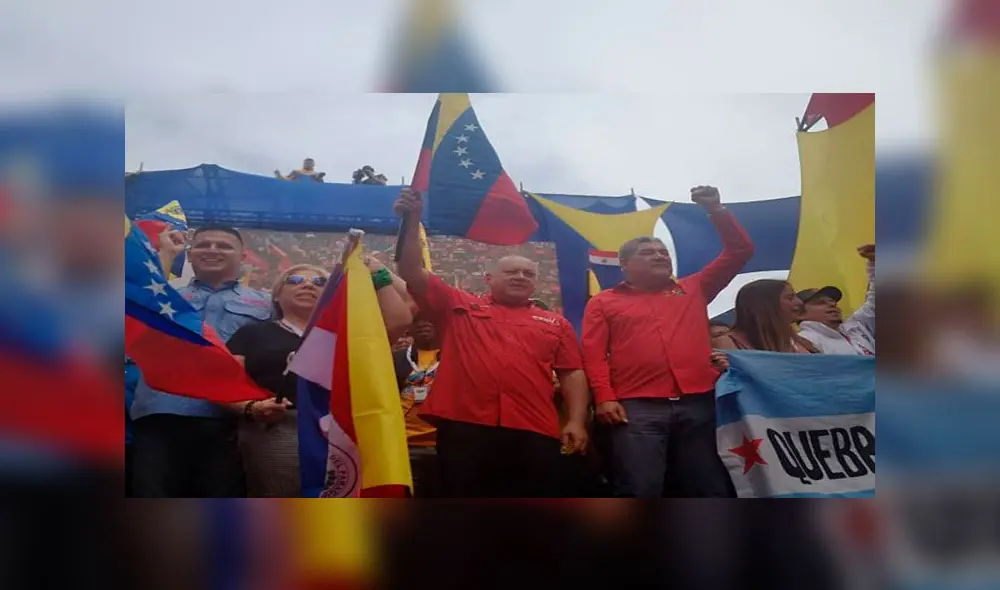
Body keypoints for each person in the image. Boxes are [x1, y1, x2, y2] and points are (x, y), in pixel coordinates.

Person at [393, 187, 590, 498]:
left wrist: (577, 421)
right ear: (489, 278)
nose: (520, 276)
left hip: (534, 427)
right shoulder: (458, 306)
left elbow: (572, 373)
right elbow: (410, 272)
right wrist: (412, 218)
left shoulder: (556, 323)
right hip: (466, 426)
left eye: (528, 273)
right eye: (511, 271)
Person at [581, 185, 754, 498]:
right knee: (640, 486)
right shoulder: (604, 301)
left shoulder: (694, 288)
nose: (659, 256)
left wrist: (716, 210)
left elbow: (739, 251)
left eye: (663, 252)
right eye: (648, 253)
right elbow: (592, 354)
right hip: (636, 407)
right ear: (625, 265)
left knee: (708, 486)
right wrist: (604, 397)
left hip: (700, 402)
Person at [130, 225, 279, 498]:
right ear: (189, 253)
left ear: (243, 255)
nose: (212, 250)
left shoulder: (268, 303)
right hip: (159, 416)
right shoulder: (162, 295)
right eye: (203, 245)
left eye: (223, 246)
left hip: (231, 423)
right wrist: (164, 254)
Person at [393, 314, 442, 498]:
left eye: (430, 318)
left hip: (443, 447)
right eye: (417, 320)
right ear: (409, 327)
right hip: (403, 448)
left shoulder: (458, 356)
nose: (424, 324)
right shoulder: (395, 359)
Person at [796, 244, 875, 355]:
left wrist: (875, 263)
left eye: (833, 302)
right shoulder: (805, 341)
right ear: (799, 314)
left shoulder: (855, 328)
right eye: (820, 303)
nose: (832, 304)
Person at [712, 279, 819, 354]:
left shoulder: (802, 343)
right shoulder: (730, 343)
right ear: (765, 305)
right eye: (790, 298)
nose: (800, 302)